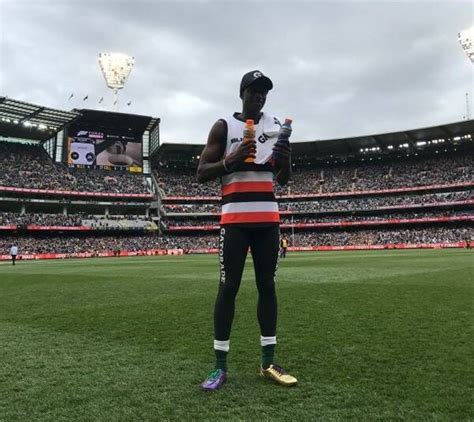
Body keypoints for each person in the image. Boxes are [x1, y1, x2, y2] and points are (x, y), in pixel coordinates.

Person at [197, 70, 297, 391]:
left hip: (268, 221)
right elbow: (201, 173)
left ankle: (268, 363)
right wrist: (231, 161)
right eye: (253, 91)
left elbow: (283, 179)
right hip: (235, 222)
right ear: (242, 93)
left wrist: (286, 159)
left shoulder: (275, 126)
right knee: (228, 289)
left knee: (267, 287)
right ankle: (219, 367)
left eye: (263, 92)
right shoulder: (224, 126)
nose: (259, 96)